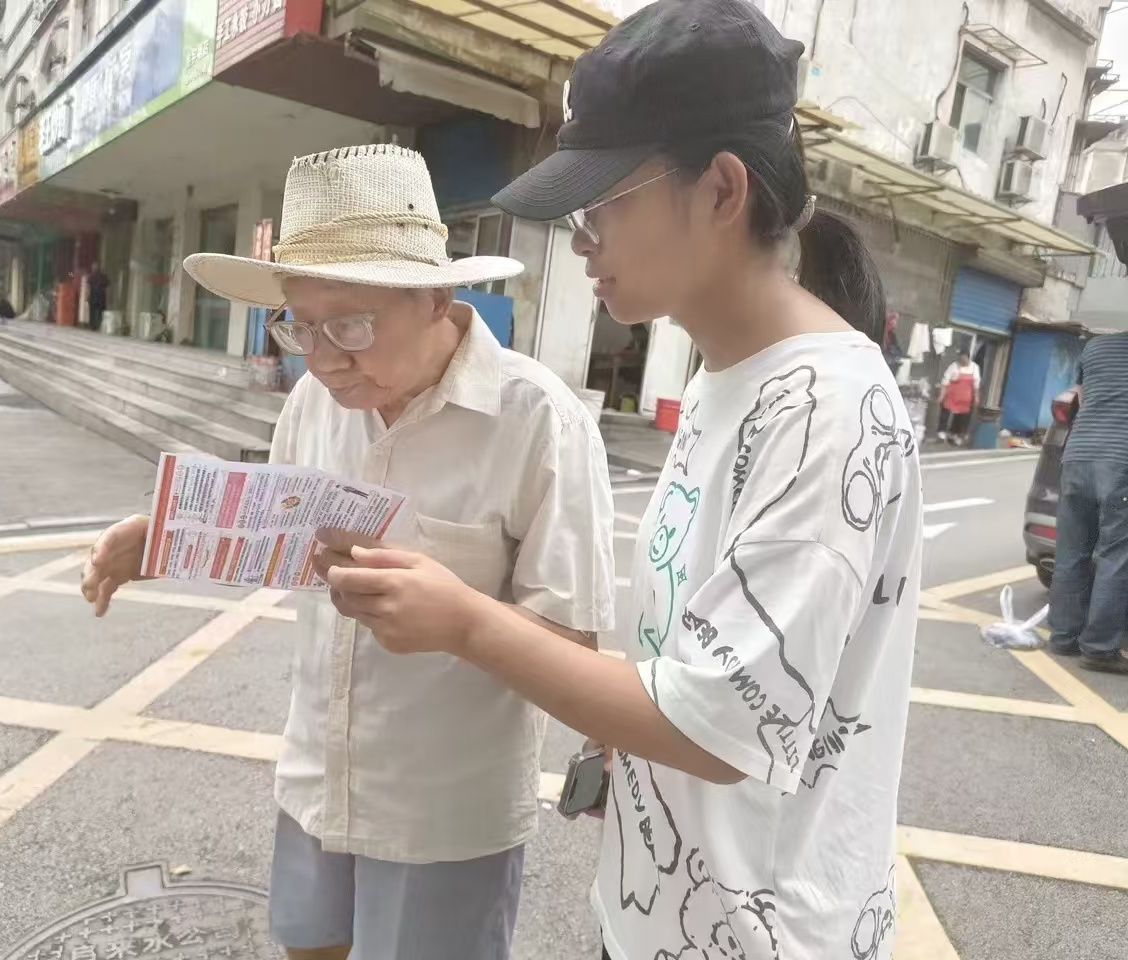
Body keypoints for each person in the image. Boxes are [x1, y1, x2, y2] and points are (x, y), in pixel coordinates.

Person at [323, 3, 921, 959]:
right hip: (662, 911)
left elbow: (722, 723)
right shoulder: (725, 373)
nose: (583, 237)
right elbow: (687, 650)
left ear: (722, 190)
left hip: (759, 934)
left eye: (605, 202)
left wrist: (468, 621)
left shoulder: (829, 409)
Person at [79, 143, 617, 960]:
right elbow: (278, 525)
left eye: (353, 325)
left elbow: (576, 648)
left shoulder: (539, 423)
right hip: (315, 781)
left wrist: (458, 618)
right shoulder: (314, 399)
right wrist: (168, 534)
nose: (323, 358)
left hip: (442, 813)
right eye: (299, 323)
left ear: (436, 297)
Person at [1048, 332, 1128, 674]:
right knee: (1115, 555)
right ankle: (1098, 648)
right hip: (1120, 460)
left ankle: (1063, 636)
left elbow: (1081, 395)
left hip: (1077, 456)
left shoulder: (1096, 346)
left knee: (1071, 552)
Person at [937, 349, 979, 445]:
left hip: (965, 398)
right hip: (951, 395)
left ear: (968, 358)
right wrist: (941, 395)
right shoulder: (953, 366)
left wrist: (976, 397)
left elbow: (976, 385)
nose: (962, 362)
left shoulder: (974, 367)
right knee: (945, 413)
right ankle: (941, 433)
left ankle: (955, 434)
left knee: (961, 417)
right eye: (960, 359)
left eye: (964, 360)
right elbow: (945, 382)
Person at [87, 261, 108, 332]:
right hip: (100, 294)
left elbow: (88, 286)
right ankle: (97, 325)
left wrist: (88, 295)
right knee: (99, 311)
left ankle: (94, 326)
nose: (94, 268)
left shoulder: (92, 276)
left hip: (95, 294)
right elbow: (107, 285)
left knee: (94, 311)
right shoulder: (102, 276)